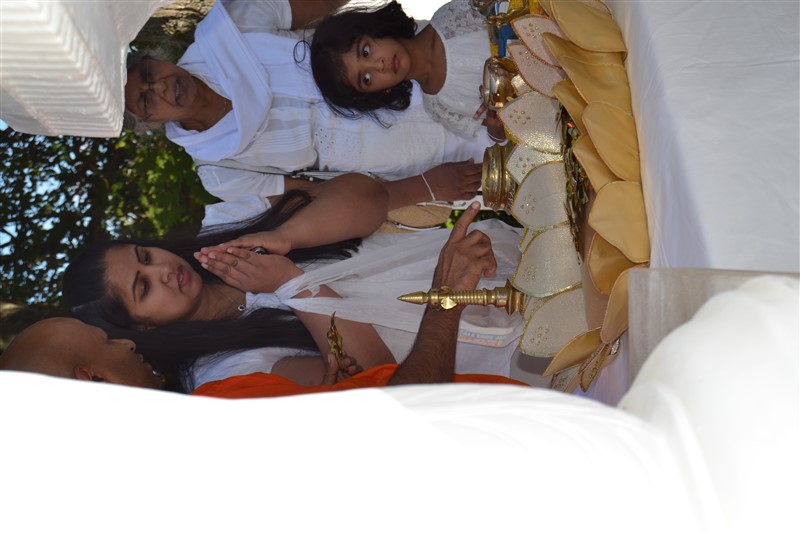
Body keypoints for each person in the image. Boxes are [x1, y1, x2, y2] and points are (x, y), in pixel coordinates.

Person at [1, 205, 527, 397]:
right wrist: (293, 284)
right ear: (142, 329)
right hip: (496, 349)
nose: (162, 270)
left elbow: (367, 194)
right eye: (144, 288)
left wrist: (288, 235)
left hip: (495, 264)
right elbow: (378, 380)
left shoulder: (225, 236)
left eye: (145, 255)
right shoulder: (222, 375)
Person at [124, 0, 487, 207]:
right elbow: (319, 198)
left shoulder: (227, 30)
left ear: (156, 58)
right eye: (146, 99)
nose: (160, 86)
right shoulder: (219, 170)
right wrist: (427, 187)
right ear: (149, 123)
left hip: (420, 66)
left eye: (148, 73)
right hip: (423, 159)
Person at [311, 0, 505, 141]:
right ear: (377, 93)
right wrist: (496, 127)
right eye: (367, 79)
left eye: (366, 51)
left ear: (372, 30)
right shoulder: (440, 108)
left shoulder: (453, 18)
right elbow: (504, 133)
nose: (379, 65)